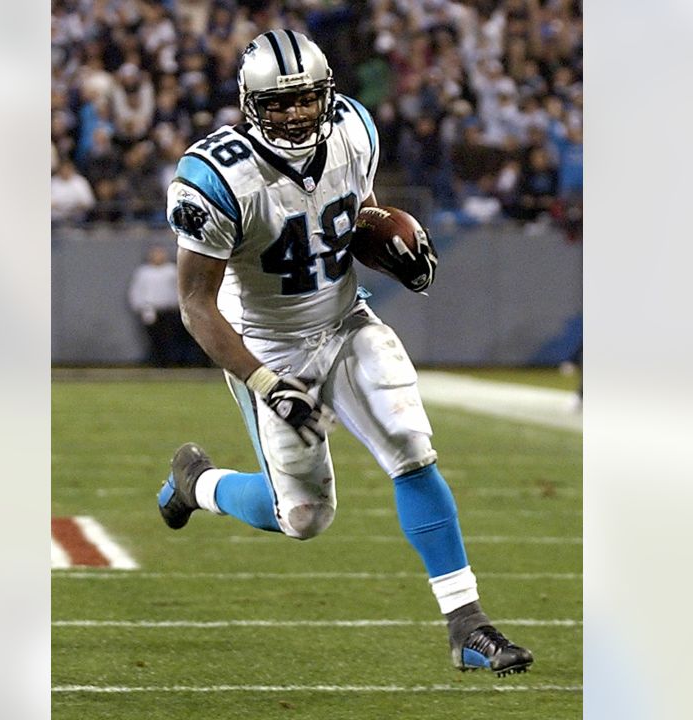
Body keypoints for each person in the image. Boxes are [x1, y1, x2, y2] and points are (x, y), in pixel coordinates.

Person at [156, 29, 533, 676]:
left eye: (306, 99)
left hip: (345, 323)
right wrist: (266, 380)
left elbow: (353, 213)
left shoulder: (353, 129)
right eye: (279, 103)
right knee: (302, 516)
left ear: (327, 94)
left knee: (410, 446)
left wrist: (389, 245)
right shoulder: (215, 178)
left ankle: (467, 626)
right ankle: (198, 484)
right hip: (267, 345)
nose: (297, 114)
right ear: (249, 105)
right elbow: (197, 305)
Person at [127, 245, 183, 367]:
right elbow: (136, 291)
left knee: (170, 338)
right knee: (153, 338)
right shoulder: (143, 272)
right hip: (151, 310)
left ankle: (171, 362)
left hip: (169, 310)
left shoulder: (171, 270)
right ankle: (155, 362)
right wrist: (140, 307)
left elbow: (179, 290)